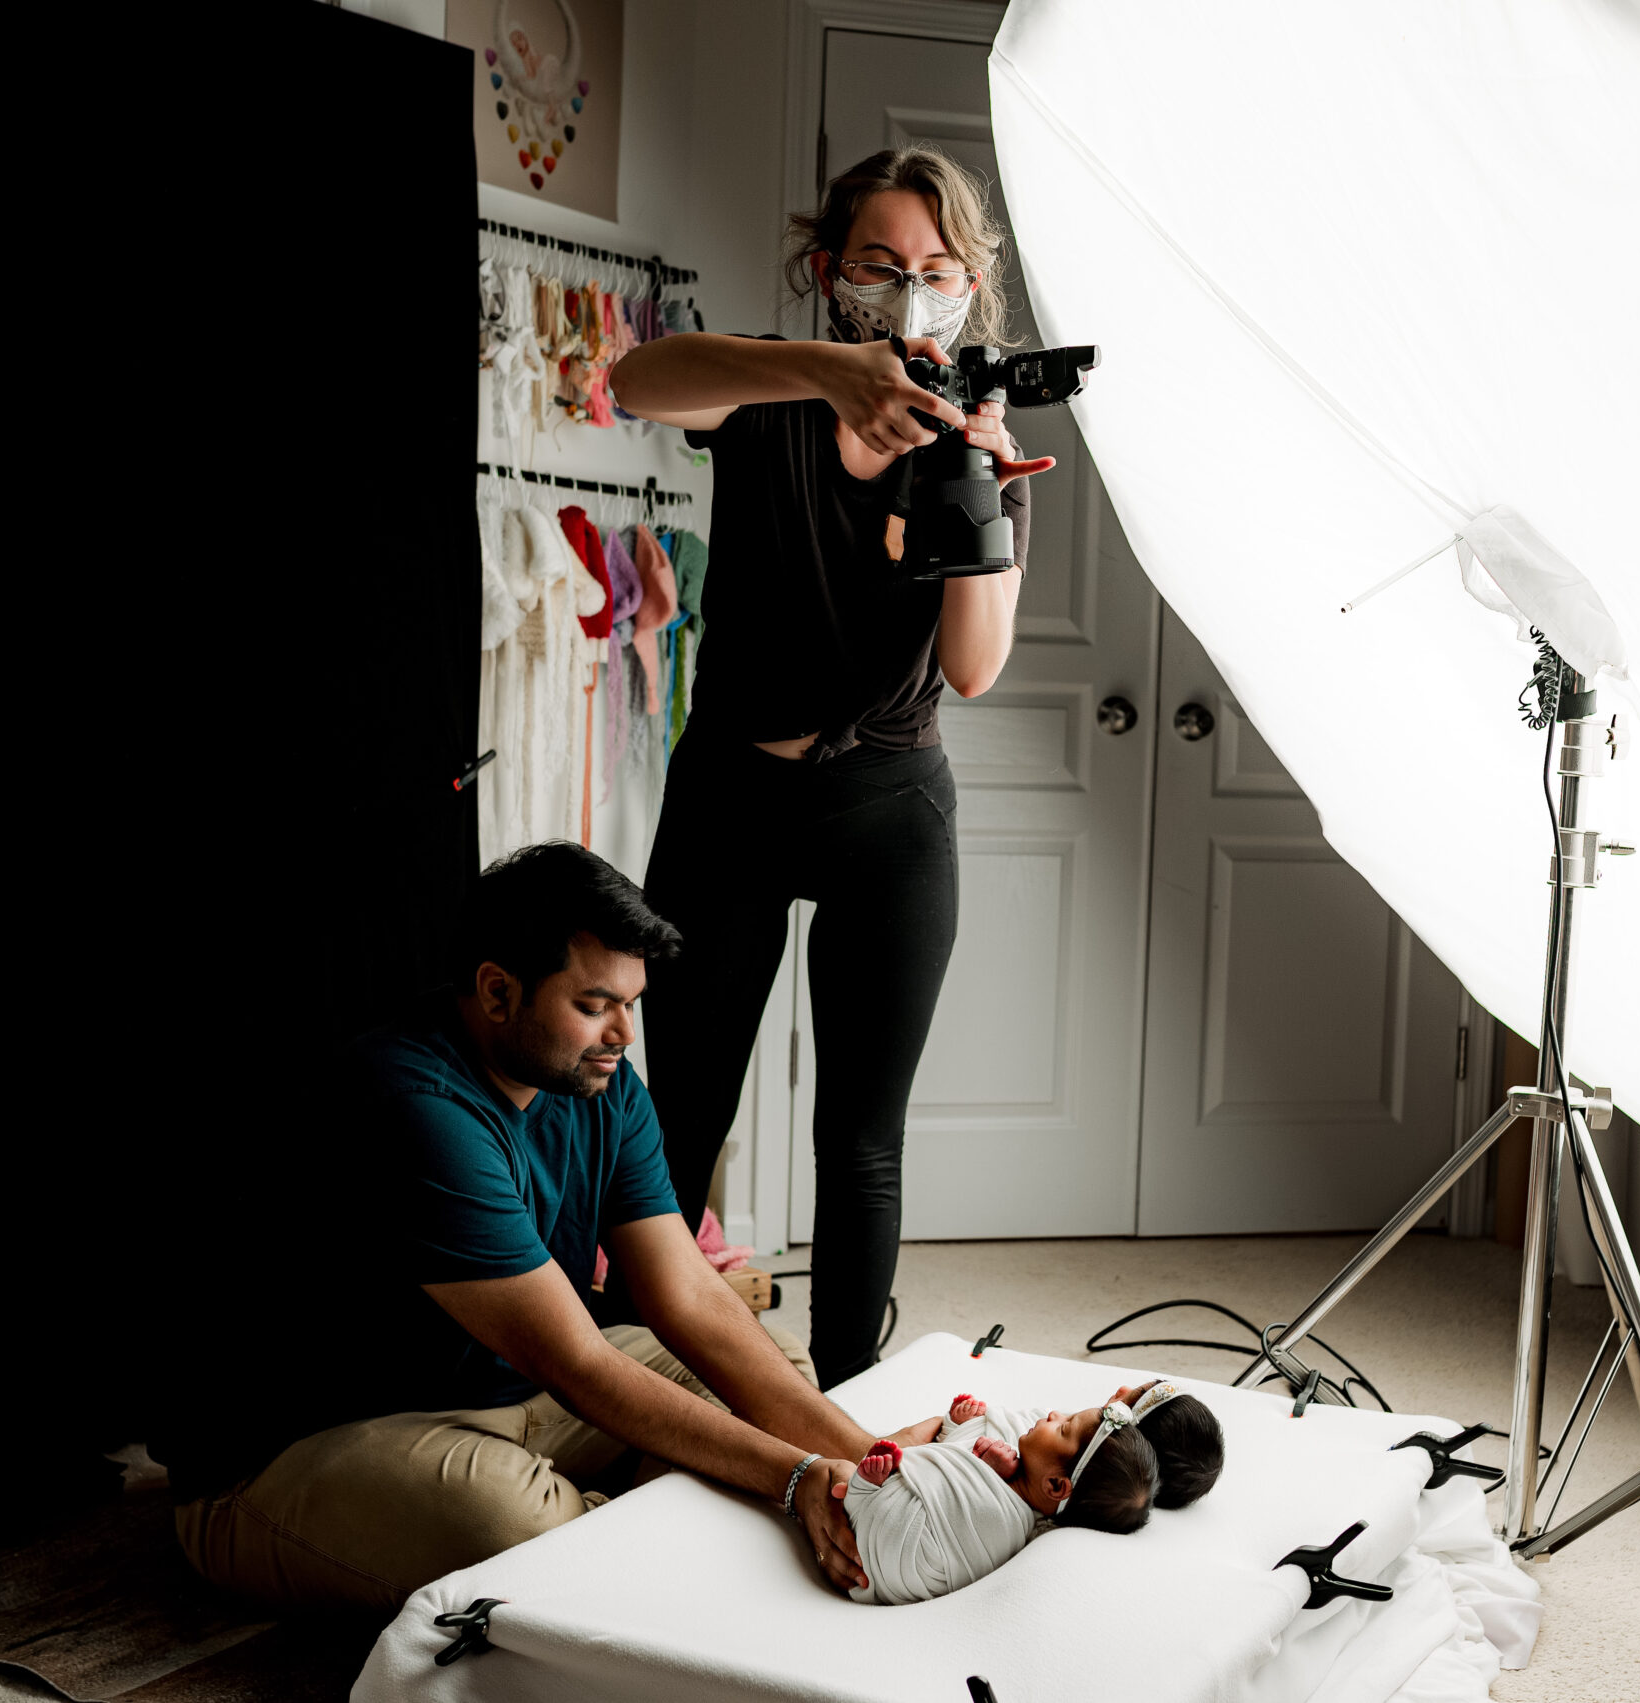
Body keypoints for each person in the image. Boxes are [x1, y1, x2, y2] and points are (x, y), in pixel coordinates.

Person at [609, 145, 1056, 1390]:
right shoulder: (768, 393)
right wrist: (822, 370)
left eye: (936, 269)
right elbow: (637, 381)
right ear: (829, 274)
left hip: (889, 809)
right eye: (879, 267)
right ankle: (643, 1383)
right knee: (676, 1120)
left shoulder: (980, 448)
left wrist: (975, 491)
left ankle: (846, 1401)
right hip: (730, 798)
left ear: (971, 285)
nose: (909, 290)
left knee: (860, 1139)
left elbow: (971, 669)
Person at [167, 842, 887, 1609]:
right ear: (498, 990)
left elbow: (691, 1298)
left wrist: (872, 1461)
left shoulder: (602, 1083)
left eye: (631, 1003)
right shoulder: (415, 1104)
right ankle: (657, 1538)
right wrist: (794, 1472)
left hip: (516, 1396)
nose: (623, 1033)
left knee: (767, 1361)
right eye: (593, 1004)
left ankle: (651, 1524)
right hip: (306, 1446)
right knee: (510, 1524)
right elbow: (579, 1361)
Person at [841, 1389, 1160, 1606]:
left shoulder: (1007, 1521)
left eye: (1064, 1429)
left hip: (906, 1545)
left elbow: (951, 1464)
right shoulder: (1032, 1510)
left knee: (898, 1476)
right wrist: (962, 1427)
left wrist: (967, 1439)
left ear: (1055, 1486)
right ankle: (866, 1493)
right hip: (894, 1569)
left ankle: (863, 1493)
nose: (1054, 1415)